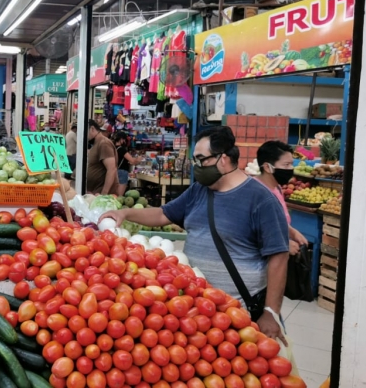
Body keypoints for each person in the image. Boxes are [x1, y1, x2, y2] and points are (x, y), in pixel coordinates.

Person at [100, 126, 289, 343]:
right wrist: (124, 212)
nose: (197, 166)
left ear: (223, 159)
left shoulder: (261, 200)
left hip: (237, 313)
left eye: (201, 159)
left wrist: (271, 313)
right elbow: (163, 214)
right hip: (194, 309)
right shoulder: (199, 190)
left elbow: (279, 257)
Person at [254, 141, 309, 256]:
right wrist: (283, 244)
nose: (290, 169)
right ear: (267, 167)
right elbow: (249, 230)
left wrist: (292, 232)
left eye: (291, 164)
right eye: (286, 165)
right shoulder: (253, 192)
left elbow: (277, 222)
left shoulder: (277, 188)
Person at [86, 119, 119, 195]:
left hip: (103, 197)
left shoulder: (104, 143)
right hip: (95, 193)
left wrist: (104, 194)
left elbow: (111, 169)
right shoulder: (96, 144)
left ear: (92, 129)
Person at [112, 132, 142, 196]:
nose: (125, 141)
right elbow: (132, 161)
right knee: (119, 195)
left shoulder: (113, 148)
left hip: (115, 171)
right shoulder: (122, 149)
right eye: (124, 140)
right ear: (121, 139)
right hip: (122, 172)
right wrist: (138, 159)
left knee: (115, 194)